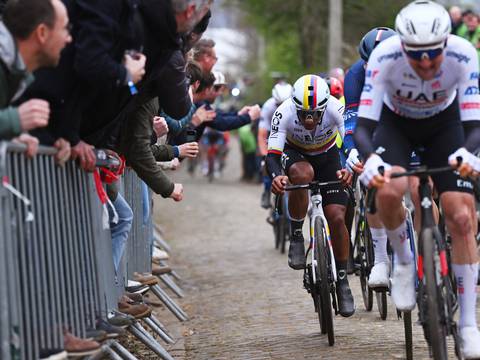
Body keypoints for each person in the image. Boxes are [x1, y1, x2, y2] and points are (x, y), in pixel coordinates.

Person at [353, 1, 480, 357]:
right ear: (402, 47)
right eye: (416, 55)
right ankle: (405, 261)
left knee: (460, 216)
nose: (425, 63)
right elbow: (363, 127)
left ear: (446, 43)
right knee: (389, 191)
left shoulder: (465, 55)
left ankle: (468, 324)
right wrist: (372, 161)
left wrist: (468, 155)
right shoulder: (384, 58)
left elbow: (474, 125)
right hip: (397, 126)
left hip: (446, 125)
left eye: (432, 55)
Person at [266, 74, 355, 317]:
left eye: (315, 114)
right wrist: (276, 175)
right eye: (303, 113)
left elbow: (350, 141)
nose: (308, 119)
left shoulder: (337, 108)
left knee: (336, 217)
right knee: (302, 175)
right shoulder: (283, 113)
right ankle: (296, 235)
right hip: (296, 154)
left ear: (324, 108)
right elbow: (272, 154)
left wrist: (348, 168)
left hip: (328, 156)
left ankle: (344, 280)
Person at [343, 26, 397, 288]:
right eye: (368, 63)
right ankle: (380, 260)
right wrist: (352, 149)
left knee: (424, 186)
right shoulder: (354, 75)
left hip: (402, 124)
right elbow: (352, 121)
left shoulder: (408, 69)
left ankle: (427, 251)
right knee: (371, 182)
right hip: (371, 125)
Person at [1, 0, 71, 161]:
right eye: (65, 28)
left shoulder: (13, 68)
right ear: (42, 33)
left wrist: (11, 136)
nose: (69, 39)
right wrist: (14, 120)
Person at [258, 82, 293, 208]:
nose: (282, 107)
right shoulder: (268, 107)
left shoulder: (295, 106)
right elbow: (262, 134)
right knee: (268, 163)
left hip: (290, 136)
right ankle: (267, 190)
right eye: (279, 104)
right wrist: (264, 155)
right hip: (272, 135)